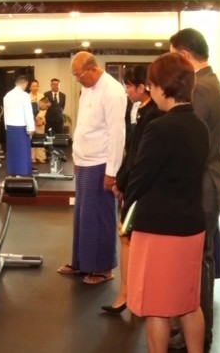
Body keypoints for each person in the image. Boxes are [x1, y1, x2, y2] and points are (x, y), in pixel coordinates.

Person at [124, 52, 209, 353]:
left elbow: (139, 177)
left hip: (159, 229)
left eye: (152, 84)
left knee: (156, 306)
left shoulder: (159, 127)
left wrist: (126, 206)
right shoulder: (199, 126)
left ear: (163, 87)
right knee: (189, 302)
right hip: (192, 225)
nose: (151, 90)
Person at [169, 27, 220, 347]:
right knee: (198, 260)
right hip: (208, 182)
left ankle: (199, 333)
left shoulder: (201, 88)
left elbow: (191, 142)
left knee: (198, 262)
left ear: (183, 54)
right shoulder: (209, 82)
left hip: (202, 185)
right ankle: (192, 328)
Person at [57, 51, 126, 284]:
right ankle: (81, 262)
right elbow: (83, 125)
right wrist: (76, 158)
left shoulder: (113, 91)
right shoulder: (87, 88)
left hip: (101, 163)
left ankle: (104, 268)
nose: (78, 80)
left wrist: (112, 172)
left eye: (79, 75)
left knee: (101, 216)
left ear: (93, 69)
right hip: (85, 161)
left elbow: (117, 133)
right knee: (83, 215)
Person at [102, 64, 162, 313]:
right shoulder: (141, 110)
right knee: (128, 239)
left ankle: (129, 294)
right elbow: (132, 151)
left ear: (142, 87)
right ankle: (129, 293)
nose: (126, 90)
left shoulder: (153, 114)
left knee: (128, 237)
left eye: (129, 85)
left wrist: (123, 183)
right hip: (134, 183)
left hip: (141, 190)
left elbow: (140, 156)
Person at [2, 74, 35, 176]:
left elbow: (5, 112)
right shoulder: (25, 95)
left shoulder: (7, 95)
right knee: (22, 151)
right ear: (25, 83)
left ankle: (12, 171)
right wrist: (31, 128)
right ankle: (23, 172)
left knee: (12, 151)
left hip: (10, 127)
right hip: (21, 128)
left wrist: (6, 127)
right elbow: (28, 113)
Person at [28, 79, 47, 163]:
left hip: (40, 121)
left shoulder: (42, 95)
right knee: (31, 139)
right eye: (33, 86)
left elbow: (45, 108)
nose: (35, 88)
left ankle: (41, 157)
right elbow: (27, 110)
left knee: (40, 139)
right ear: (30, 87)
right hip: (30, 121)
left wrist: (39, 118)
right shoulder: (27, 97)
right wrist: (33, 118)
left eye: (36, 86)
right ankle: (32, 157)